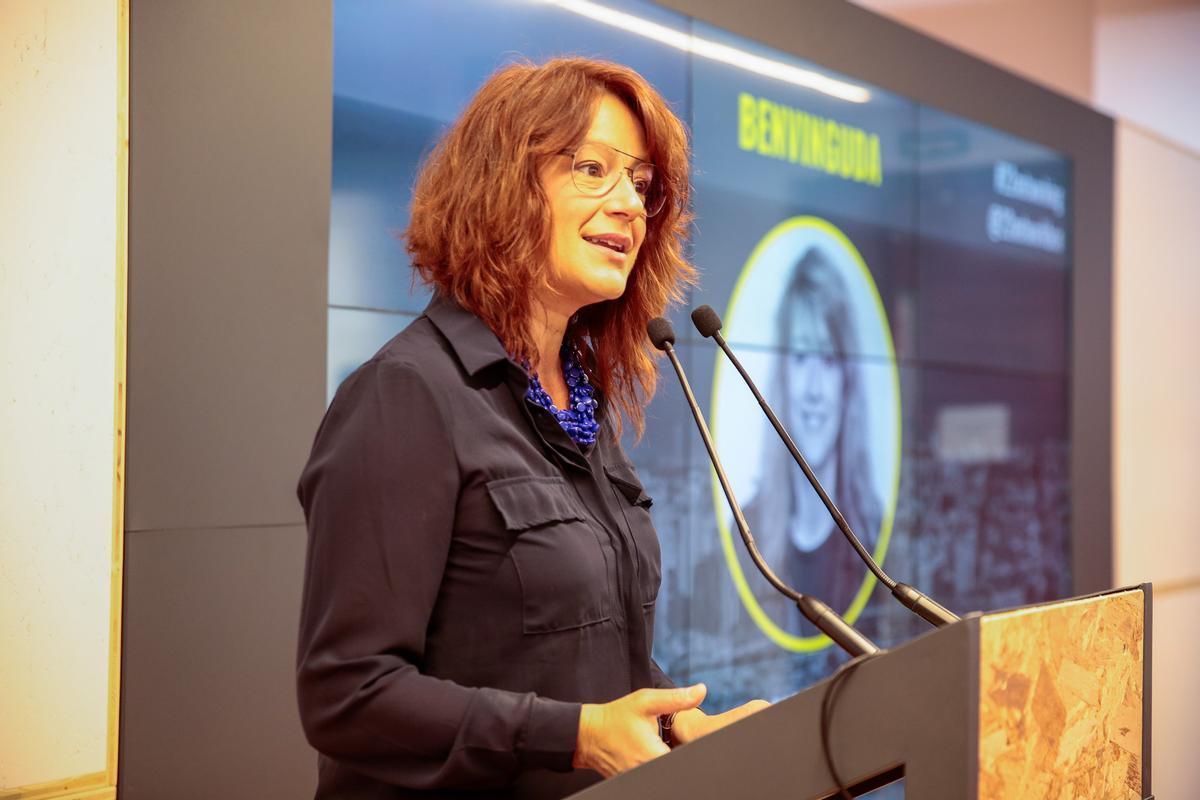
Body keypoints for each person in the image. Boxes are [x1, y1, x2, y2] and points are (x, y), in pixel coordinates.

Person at [295, 58, 766, 800]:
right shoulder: (407, 394)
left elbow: (580, 656)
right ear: (504, 186)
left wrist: (675, 728)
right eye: (592, 169)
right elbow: (346, 694)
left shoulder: (580, 404)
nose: (630, 206)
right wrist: (573, 737)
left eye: (641, 184)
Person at [746, 246, 883, 636]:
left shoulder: (878, 538)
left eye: (828, 361)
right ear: (782, 375)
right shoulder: (746, 533)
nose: (814, 392)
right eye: (802, 358)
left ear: (848, 381)